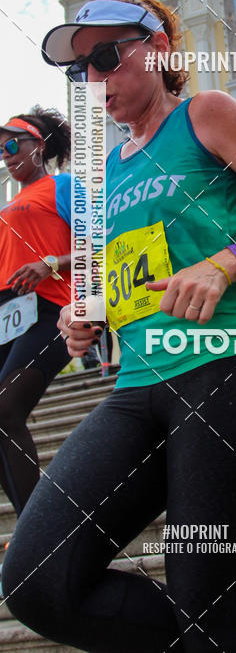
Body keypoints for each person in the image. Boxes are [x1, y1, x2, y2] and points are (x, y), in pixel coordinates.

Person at [2, 0, 236, 653]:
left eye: (106, 57)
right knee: (36, 583)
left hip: (233, 373)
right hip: (138, 389)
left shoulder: (204, 114)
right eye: (81, 72)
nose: (96, 80)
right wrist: (84, 311)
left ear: (156, 48)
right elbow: (116, 270)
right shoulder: (105, 169)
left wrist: (228, 261)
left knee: (208, 617)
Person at [0, 108, 72, 517]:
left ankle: (39, 528)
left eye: (13, 145)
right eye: (1, 150)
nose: (7, 155)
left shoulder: (62, 186)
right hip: (6, 314)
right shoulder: (8, 205)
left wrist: (52, 263)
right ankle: (31, 530)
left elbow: (103, 247)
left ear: (38, 146)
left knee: (6, 410)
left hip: (50, 312)